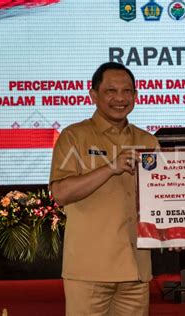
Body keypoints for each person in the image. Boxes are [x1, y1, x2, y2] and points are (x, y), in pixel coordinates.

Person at [50, 62, 159, 316]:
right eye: (111, 91)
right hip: (89, 270)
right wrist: (111, 167)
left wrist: (173, 232)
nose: (120, 98)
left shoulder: (147, 141)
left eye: (127, 91)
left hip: (136, 270)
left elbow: (159, 199)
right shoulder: (73, 137)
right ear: (94, 95)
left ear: (136, 95)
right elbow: (61, 193)